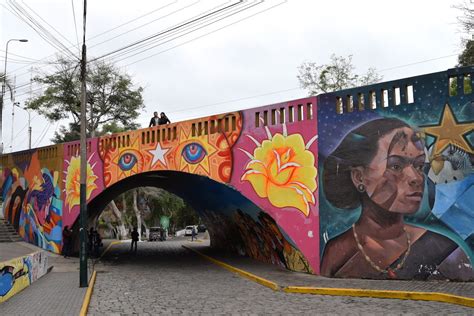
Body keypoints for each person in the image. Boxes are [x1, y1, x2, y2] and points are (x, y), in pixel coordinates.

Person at [320, 118, 472, 280]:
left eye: (419, 166)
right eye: (396, 166)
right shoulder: (337, 251)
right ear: (359, 177)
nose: (416, 178)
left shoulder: (442, 246)